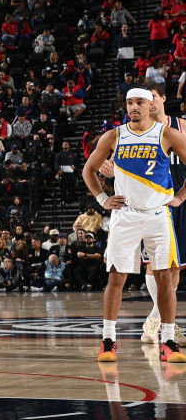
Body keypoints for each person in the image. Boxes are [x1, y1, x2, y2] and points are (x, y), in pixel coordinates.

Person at [82, 87, 186, 363]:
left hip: (157, 214)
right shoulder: (114, 135)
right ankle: (108, 340)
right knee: (116, 278)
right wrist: (102, 199)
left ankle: (167, 341)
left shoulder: (166, 134)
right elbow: (88, 169)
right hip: (124, 215)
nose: (133, 107)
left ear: (151, 105)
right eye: (129, 102)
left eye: (139, 102)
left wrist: (179, 197)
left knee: (166, 278)